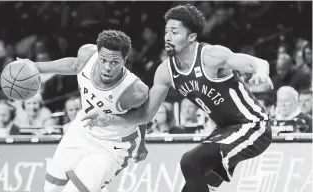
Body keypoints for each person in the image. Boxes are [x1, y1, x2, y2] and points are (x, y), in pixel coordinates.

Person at [82, 5, 274, 192]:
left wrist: (262, 72)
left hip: (253, 126)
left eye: (175, 32)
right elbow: (145, 115)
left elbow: (257, 62)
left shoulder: (211, 56)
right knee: (191, 187)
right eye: (166, 31)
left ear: (191, 37)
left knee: (190, 161)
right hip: (224, 131)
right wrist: (110, 118)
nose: (167, 37)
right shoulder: (165, 72)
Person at [18, 30, 149, 192]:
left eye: (114, 62)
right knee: (51, 188)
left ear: (124, 60)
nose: (107, 67)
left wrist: (142, 143)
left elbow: (143, 116)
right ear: (98, 54)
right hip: (82, 129)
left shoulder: (135, 91)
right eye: (103, 60)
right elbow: (74, 65)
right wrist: (35, 66)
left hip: (111, 145)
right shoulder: (87, 54)